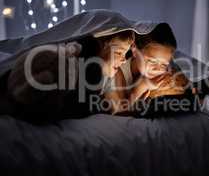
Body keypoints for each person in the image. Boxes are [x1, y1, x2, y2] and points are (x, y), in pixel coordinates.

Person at [6, 30, 135, 120]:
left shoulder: (99, 75)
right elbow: (86, 107)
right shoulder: (92, 68)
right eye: (119, 53)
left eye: (124, 55)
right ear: (102, 46)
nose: (124, 60)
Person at [104, 24, 189, 115]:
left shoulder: (166, 73)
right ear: (134, 50)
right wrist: (141, 87)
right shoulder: (116, 71)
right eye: (152, 61)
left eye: (164, 64)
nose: (157, 69)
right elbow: (119, 114)